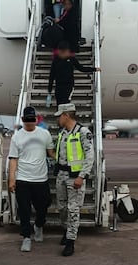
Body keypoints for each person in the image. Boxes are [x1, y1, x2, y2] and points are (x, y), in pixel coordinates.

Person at [8, 106, 55, 252]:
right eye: (26, 120)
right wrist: (11, 179)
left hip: (41, 179)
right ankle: (26, 237)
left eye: (32, 119)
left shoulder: (45, 134)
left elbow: (51, 153)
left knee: (44, 206)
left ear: (36, 119)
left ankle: (39, 225)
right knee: (24, 210)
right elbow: (13, 159)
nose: (29, 122)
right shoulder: (17, 137)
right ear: (23, 120)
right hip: (23, 179)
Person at [54, 103, 94, 257]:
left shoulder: (83, 132)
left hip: (75, 177)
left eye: (59, 116)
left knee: (73, 209)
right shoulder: (63, 133)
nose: (57, 119)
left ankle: (71, 240)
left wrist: (81, 176)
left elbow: (90, 156)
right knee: (62, 207)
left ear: (66, 115)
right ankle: (66, 230)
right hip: (61, 176)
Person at [48, 41, 101, 105]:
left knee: (66, 103)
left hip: (68, 85)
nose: (62, 53)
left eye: (64, 51)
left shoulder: (72, 59)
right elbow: (52, 75)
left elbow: (81, 68)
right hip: (59, 85)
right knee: (59, 104)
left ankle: (66, 114)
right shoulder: (56, 60)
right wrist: (50, 89)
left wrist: (94, 69)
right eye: (61, 51)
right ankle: (60, 114)